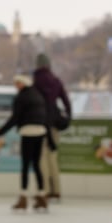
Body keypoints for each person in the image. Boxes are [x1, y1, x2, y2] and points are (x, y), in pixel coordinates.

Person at [0, 73, 52, 212]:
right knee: (36, 165)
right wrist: (50, 138)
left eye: (17, 83)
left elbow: (15, 118)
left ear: (23, 83)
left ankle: (23, 197)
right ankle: (42, 196)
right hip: (41, 132)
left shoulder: (21, 97)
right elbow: (45, 117)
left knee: (25, 165)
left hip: (28, 132)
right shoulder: (38, 95)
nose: (15, 86)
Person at [32, 53, 72, 201]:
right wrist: (68, 116)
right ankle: (57, 190)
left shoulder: (36, 81)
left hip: (41, 123)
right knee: (53, 156)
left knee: (42, 157)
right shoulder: (56, 81)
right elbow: (66, 101)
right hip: (54, 123)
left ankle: (45, 191)